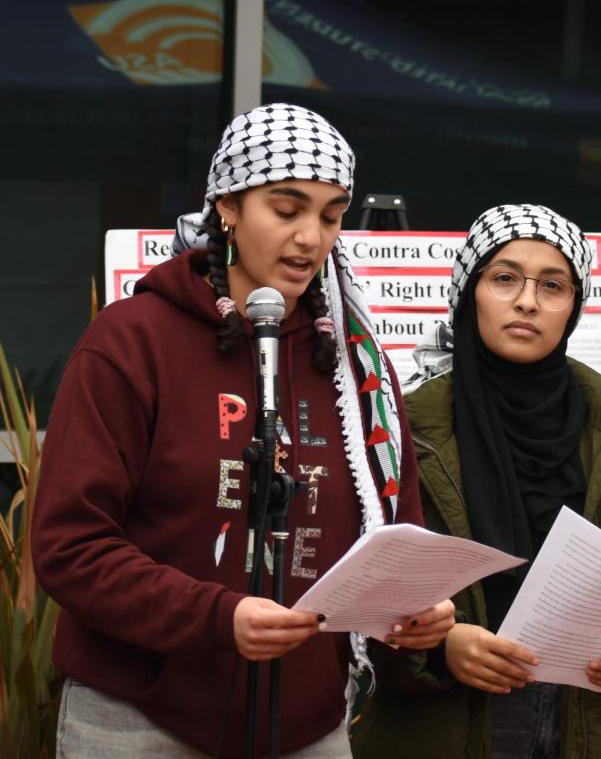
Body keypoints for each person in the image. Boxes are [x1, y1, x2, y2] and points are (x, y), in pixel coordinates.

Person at [31, 103, 455, 759]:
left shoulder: (358, 364)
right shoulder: (133, 342)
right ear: (227, 207)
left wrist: (414, 610)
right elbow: (71, 546)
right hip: (142, 720)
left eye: (332, 214)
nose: (312, 237)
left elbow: (400, 539)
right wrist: (217, 617)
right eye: (287, 210)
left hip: (309, 726)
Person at [350, 205, 601, 759]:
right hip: (440, 725)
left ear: (574, 308)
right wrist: (442, 647)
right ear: (470, 292)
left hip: (588, 726)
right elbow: (359, 584)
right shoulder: (401, 429)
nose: (527, 301)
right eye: (505, 278)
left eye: (553, 285)